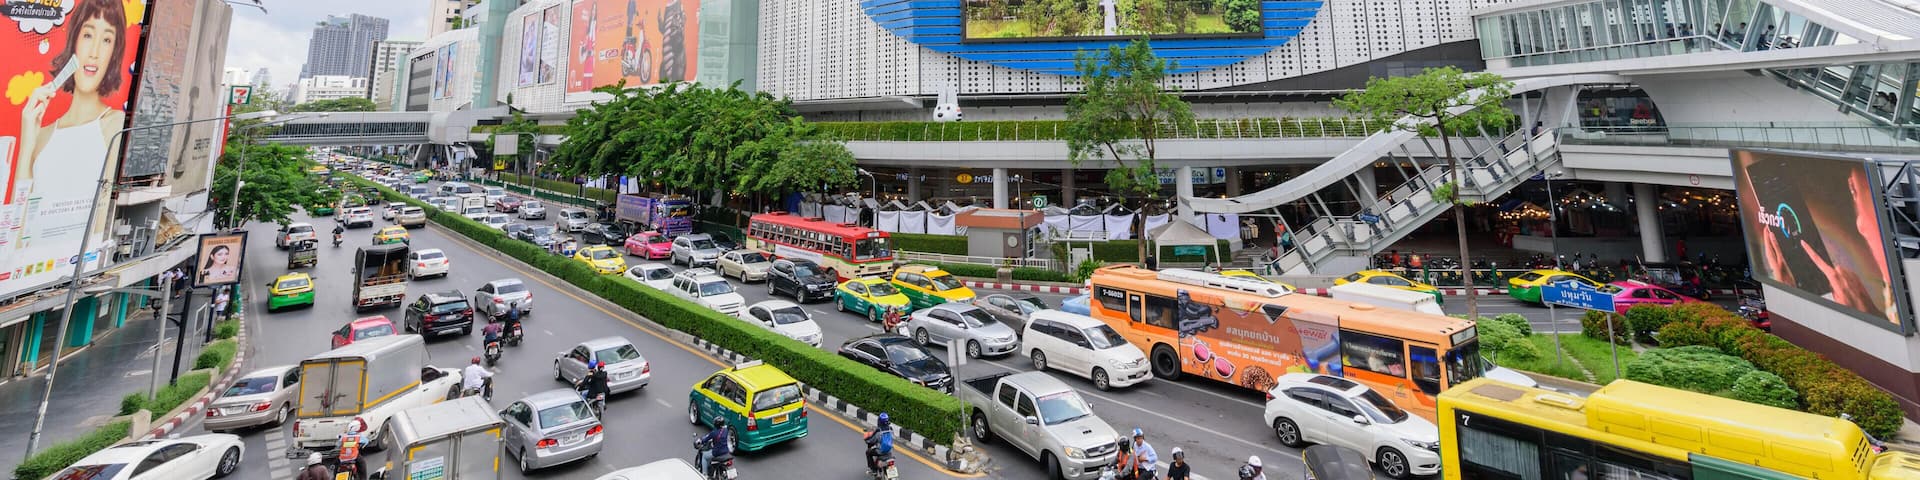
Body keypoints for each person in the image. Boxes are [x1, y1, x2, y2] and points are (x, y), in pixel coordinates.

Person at [12, 0, 128, 262]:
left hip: (76, 269)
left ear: (115, 52)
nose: (95, 52)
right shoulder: (41, 133)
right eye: (88, 35)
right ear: (74, 41)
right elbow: (15, 228)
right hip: (23, 272)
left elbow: (100, 216)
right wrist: (27, 141)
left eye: (107, 40)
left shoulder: (115, 125)